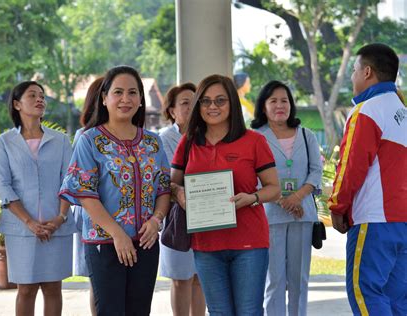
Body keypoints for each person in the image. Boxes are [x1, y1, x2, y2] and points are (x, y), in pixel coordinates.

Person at [59, 65, 171, 315]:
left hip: (147, 240)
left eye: (132, 93)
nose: (125, 99)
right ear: (104, 98)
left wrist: (156, 221)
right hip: (105, 243)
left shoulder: (153, 142)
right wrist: (117, 234)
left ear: (141, 100)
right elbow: (85, 194)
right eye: (118, 92)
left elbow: (164, 189)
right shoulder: (90, 140)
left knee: (140, 311)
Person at [171, 74, 280, 315]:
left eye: (220, 100)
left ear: (232, 102)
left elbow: (274, 188)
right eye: (206, 101)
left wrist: (252, 198)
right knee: (219, 312)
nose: (212, 107)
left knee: (249, 312)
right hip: (206, 244)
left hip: (249, 243)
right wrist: (180, 195)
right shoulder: (188, 142)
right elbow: (171, 184)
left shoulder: (254, 141)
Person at [328, 43, 407, 315]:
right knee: (398, 300)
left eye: (354, 70)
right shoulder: (404, 112)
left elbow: (351, 165)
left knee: (365, 292)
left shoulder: (367, 110)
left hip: (375, 220)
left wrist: (337, 206)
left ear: (368, 72)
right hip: (403, 222)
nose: (352, 77)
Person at [0, 81, 76, 316]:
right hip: (20, 230)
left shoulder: (60, 140)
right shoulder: (4, 142)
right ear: (17, 104)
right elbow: (4, 186)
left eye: (42, 95)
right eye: (32, 95)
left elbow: (69, 182)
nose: (40, 99)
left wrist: (59, 218)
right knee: (26, 290)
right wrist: (30, 222)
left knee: (53, 288)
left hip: (56, 226)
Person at [251, 80, 322, 316]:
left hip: (303, 214)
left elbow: (315, 171)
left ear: (291, 105)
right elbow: (253, 176)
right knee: (274, 279)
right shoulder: (255, 137)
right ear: (263, 107)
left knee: (299, 279)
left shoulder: (306, 135)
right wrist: (283, 200)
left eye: (284, 101)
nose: (280, 105)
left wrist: (298, 197)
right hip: (270, 215)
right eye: (273, 101)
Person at [159, 83, 206, 316]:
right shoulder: (163, 139)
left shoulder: (208, 135)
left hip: (207, 213)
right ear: (172, 111)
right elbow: (168, 178)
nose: (191, 107)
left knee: (200, 277)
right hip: (177, 217)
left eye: (196, 102)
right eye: (185, 103)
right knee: (181, 278)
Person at [72, 76, 104, 316]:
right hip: (94, 218)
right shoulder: (85, 136)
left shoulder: (138, 135)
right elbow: (80, 186)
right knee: (98, 282)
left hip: (129, 223)